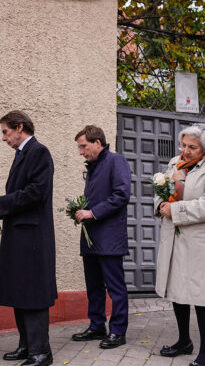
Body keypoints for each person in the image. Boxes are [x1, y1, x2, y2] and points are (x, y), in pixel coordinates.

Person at [155, 123, 205, 366]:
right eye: (183, 145)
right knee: (178, 290)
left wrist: (174, 209)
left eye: (192, 147)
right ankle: (184, 341)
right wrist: (160, 205)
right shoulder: (175, 162)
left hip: (201, 241)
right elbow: (161, 191)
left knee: (200, 294)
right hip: (176, 238)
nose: (185, 151)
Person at [0, 110, 57, 366]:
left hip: (33, 238)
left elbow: (36, 192)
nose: (4, 138)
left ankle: (41, 352)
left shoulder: (39, 152)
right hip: (20, 235)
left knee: (33, 294)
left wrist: (1, 202)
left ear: (20, 127)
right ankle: (26, 346)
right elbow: (23, 194)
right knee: (20, 291)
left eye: (5, 131)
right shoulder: (22, 154)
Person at [69, 125, 132, 349]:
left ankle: (117, 332)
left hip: (110, 238)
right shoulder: (93, 167)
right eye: (79, 147)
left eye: (83, 146)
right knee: (94, 286)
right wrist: (81, 211)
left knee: (115, 288)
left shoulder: (117, 161)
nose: (81, 152)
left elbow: (122, 194)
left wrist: (92, 213)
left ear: (98, 143)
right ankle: (97, 326)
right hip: (91, 238)